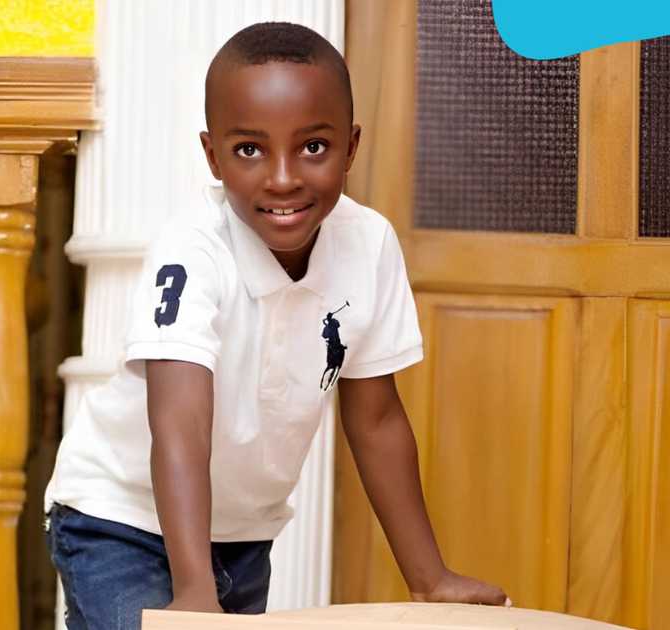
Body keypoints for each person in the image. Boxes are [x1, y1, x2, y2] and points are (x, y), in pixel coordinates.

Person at [44, 22, 508, 629]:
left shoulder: (368, 244)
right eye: (249, 150)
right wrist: (194, 593)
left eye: (313, 147)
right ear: (213, 156)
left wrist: (430, 578)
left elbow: (376, 420)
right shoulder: (193, 249)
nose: (283, 177)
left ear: (351, 146)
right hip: (120, 521)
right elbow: (181, 422)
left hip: (242, 535)